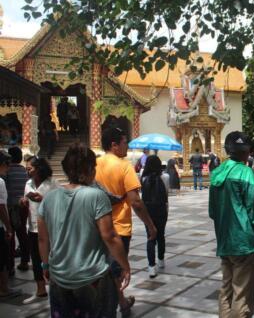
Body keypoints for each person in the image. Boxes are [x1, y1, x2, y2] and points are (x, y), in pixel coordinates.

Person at [37, 144, 131, 316]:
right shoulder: (96, 196)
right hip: (93, 278)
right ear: (89, 170)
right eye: (93, 167)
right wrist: (125, 266)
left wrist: (45, 265)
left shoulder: (49, 198)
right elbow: (109, 236)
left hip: (59, 277)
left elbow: (43, 239)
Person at [209, 131, 254, 318]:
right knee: (242, 296)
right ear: (247, 152)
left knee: (226, 289)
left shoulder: (217, 173)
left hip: (225, 242)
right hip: (243, 244)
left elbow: (212, 212)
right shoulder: (246, 173)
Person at [96, 127, 157, 316]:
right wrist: (150, 225)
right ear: (114, 145)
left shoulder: (95, 164)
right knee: (117, 273)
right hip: (119, 228)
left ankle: (121, 303)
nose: (127, 146)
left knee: (102, 271)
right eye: (124, 142)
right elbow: (136, 202)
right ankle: (112, 309)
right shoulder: (124, 166)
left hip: (97, 227)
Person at [21, 156, 59, 304]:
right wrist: (23, 201)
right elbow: (25, 200)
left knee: (53, 258)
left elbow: (60, 202)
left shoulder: (52, 183)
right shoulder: (28, 183)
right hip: (33, 226)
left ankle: (57, 286)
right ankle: (40, 289)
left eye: (30, 168)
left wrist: (43, 198)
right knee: (36, 260)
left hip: (50, 227)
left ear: (39, 168)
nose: (27, 170)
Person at [141, 155, 169, 279]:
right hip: (161, 210)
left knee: (150, 237)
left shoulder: (142, 177)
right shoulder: (165, 177)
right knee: (161, 235)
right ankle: (161, 260)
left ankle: (151, 267)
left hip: (147, 211)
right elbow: (167, 193)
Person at [5, 147, 29, 273]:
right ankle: (25, 261)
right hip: (23, 206)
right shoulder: (25, 171)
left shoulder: (7, 172)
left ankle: (10, 266)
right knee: (22, 233)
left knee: (10, 234)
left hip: (11, 207)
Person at [0, 150, 15, 297]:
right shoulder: (0, 182)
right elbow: (1, 207)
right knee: (2, 258)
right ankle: (4, 288)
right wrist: (9, 227)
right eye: (7, 165)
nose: (8, 168)